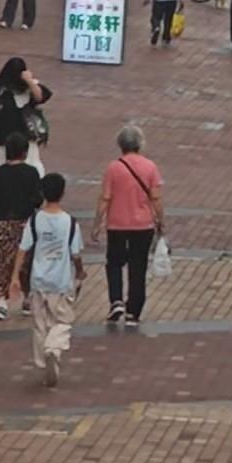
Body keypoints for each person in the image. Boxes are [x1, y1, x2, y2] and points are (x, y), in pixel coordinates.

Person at [13, 170, 85, 386]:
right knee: (63, 321)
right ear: (62, 193)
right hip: (60, 282)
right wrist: (80, 272)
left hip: (38, 281)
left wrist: (15, 276)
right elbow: (75, 254)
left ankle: (44, 364)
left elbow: (23, 249)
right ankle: (53, 348)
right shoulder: (70, 223)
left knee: (39, 325)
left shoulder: (35, 220)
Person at [92, 124, 164, 325]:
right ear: (140, 144)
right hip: (143, 225)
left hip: (117, 224)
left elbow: (105, 197)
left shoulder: (113, 168)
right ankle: (134, 309)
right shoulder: (150, 167)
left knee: (114, 263)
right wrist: (160, 219)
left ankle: (116, 300)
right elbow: (156, 198)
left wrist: (97, 223)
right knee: (138, 266)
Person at [0, 57, 51, 199]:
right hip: (1, 139)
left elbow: (40, 97)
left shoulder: (29, 87)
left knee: (30, 167)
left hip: (26, 139)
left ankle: (29, 197)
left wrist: (29, 81)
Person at [0, 130, 43, 320]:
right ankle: (27, 298)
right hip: (26, 223)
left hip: (3, 223)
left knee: (2, 263)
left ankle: (1, 301)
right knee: (27, 262)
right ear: (25, 152)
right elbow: (37, 200)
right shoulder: (31, 173)